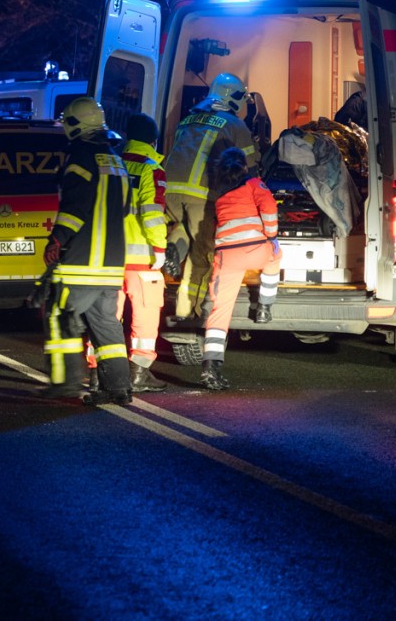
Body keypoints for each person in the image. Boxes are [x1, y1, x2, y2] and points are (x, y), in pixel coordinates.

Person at [40, 97, 132, 405]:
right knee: (107, 325)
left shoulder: (79, 157)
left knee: (58, 313)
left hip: (80, 263)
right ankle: (118, 388)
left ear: (75, 124)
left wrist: (56, 239)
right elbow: (125, 209)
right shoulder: (116, 160)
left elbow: (74, 207)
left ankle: (64, 382)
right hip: (111, 266)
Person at [164, 73, 260, 322]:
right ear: (233, 97)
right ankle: (190, 314)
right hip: (202, 195)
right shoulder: (235, 125)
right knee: (203, 255)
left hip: (170, 191)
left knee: (185, 228)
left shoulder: (189, 118)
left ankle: (174, 246)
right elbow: (249, 167)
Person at [200, 148, 282, 390]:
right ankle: (265, 307)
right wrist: (271, 235)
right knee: (276, 255)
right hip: (255, 250)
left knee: (220, 310)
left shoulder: (220, 195)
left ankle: (210, 369)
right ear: (244, 168)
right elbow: (269, 208)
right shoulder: (255, 184)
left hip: (226, 257)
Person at [120, 113, 170, 393]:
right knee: (146, 313)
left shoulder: (111, 164)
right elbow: (152, 213)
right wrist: (159, 249)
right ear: (153, 139)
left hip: (109, 256)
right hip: (142, 258)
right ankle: (139, 373)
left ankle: (99, 370)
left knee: (106, 317)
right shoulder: (150, 168)